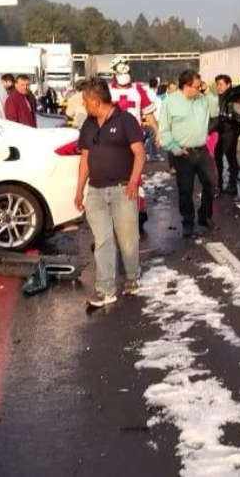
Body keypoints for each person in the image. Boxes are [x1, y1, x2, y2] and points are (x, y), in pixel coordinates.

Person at [74, 79, 145, 308]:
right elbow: (85, 159)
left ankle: (132, 276)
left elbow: (140, 153)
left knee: (127, 239)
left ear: (95, 100)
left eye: (85, 100)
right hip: (95, 191)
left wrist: (133, 181)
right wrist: (79, 190)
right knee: (103, 240)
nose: (83, 105)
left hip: (122, 190)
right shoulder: (89, 124)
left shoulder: (126, 121)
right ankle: (105, 289)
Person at [159, 69, 215, 236]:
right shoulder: (170, 102)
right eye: (196, 87)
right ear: (185, 86)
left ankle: (205, 216)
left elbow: (216, 111)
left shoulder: (202, 100)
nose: (198, 90)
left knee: (211, 184)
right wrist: (175, 149)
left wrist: (207, 91)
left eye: (199, 87)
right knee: (186, 189)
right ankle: (188, 222)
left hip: (202, 150)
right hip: (183, 153)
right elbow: (164, 130)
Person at [213, 74, 240, 195]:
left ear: (228, 84)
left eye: (221, 84)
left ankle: (232, 184)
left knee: (230, 158)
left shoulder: (233, 96)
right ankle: (218, 185)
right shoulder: (217, 97)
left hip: (230, 132)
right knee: (217, 159)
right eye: (217, 85)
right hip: (218, 131)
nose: (218, 87)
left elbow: (238, 114)